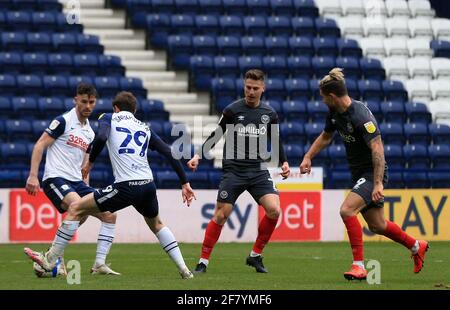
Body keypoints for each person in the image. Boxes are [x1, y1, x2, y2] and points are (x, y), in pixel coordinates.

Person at [25, 91, 196, 279]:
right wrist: (184, 182)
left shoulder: (109, 117)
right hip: (148, 185)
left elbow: (101, 137)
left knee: (75, 208)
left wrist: (89, 163)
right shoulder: (145, 127)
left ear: (116, 108)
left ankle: (50, 260)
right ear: (135, 110)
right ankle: (184, 270)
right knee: (157, 224)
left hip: (126, 186)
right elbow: (169, 152)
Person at [299, 68, 429, 280]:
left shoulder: (360, 116)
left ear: (332, 96)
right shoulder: (334, 113)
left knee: (347, 210)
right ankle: (416, 246)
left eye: (323, 97)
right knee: (377, 225)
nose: (322, 101)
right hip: (360, 172)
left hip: (372, 172)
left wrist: (377, 183)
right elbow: (325, 137)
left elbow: (378, 149)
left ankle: (359, 266)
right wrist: (308, 156)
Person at [187, 69, 290, 274]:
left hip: (259, 171)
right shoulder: (232, 110)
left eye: (255, 88)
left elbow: (276, 141)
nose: (250, 92)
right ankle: (203, 262)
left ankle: (255, 255)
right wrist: (198, 154)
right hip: (234, 171)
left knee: (274, 210)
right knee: (221, 214)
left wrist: (284, 163)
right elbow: (217, 134)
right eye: (247, 87)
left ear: (263, 88)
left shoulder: (269, 114)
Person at [25, 83, 120, 275]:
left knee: (110, 213)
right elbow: (39, 145)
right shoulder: (63, 121)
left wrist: (87, 187)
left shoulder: (90, 133)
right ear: (76, 100)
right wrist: (33, 175)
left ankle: (98, 264)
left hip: (77, 182)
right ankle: (51, 259)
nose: (88, 106)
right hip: (56, 178)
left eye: (91, 102)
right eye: (84, 101)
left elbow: (85, 166)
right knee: (78, 205)